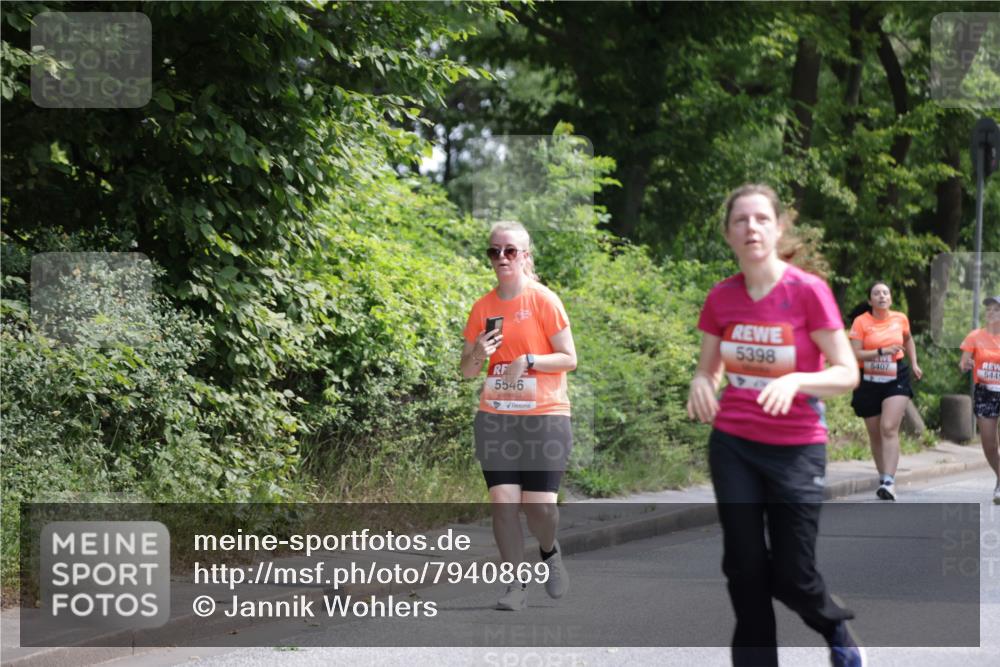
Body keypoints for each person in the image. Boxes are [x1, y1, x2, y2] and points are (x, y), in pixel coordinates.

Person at [687, 184, 865, 667]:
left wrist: (798, 382)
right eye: (741, 221)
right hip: (735, 446)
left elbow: (846, 372)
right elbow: (708, 369)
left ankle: (834, 628)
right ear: (728, 234)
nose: (751, 228)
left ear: (778, 227)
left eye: (761, 219)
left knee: (792, 576)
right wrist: (701, 384)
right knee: (744, 571)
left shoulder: (807, 292)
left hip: (796, 448)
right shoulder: (722, 298)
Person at [461, 220, 576, 611]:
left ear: (526, 256)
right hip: (496, 416)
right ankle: (515, 584)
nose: (502, 258)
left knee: (539, 508)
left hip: (545, 415)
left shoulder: (544, 300)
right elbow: (467, 370)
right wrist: (477, 349)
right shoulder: (483, 307)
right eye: (495, 251)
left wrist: (528, 360)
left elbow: (569, 358)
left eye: (510, 251)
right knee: (503, 503)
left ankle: (549, 550)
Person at [848, 282, 923, 501]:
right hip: (868, 380)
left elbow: (908, 340)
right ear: (870, 301)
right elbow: (855, 353)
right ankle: (883, 477)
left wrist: (915, 363)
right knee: (875, 433)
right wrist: (881, 351)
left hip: (895, 376)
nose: (882, 296)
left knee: (888, 427)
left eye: (885, 293)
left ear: (890, 298)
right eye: (876, 293)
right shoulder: (861, 322)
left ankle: (890, 482)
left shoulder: (900, 318)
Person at [960, 295, 1000, 504]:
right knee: (988, 443)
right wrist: (966, 365)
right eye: (989, 309)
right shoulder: (975, 336)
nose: (991, 313)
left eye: (996, 309)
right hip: (985, 391)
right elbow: (964, 362)